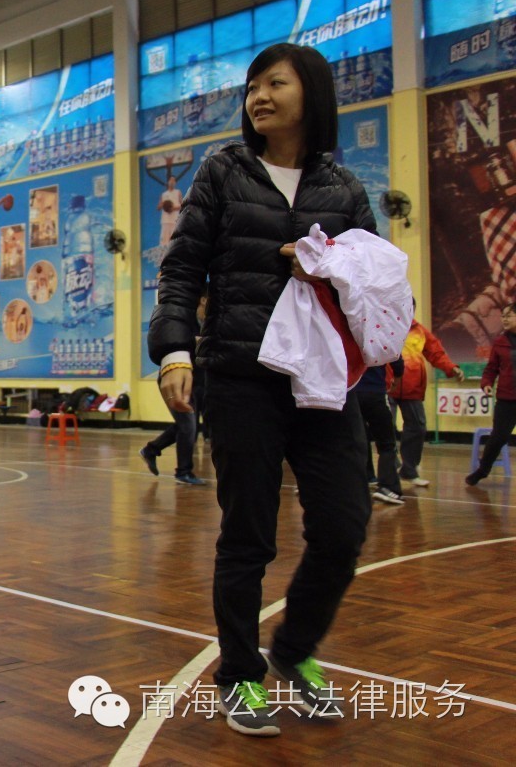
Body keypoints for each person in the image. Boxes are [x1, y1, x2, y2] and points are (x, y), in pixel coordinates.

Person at [149, 43, 380, 737]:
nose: (259, 95)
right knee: (247, 534)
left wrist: (329, 273)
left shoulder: (344, 187)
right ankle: (242, 674)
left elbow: (373, 280)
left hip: (325, 381)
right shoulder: (224, 170)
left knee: (344, 526)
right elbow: (182, 267)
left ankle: (296, 648)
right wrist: (174, 350)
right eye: (252, 86)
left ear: (311, 92)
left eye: (274, 82)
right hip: (243, 374)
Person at [387, 300, 464, 487]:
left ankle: (409, 469)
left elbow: (436, 353)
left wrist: (451, 368)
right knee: (385, 429)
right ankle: (387, 472)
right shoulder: (385, 327)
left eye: (410, 308)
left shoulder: (419, 330)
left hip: (413, 388)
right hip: (387, 386)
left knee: (418, 427)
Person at [466, 302, 516, 486]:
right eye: (503, 316)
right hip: (507, 399)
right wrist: (486, 384)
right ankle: (483, 469)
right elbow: (491, 369)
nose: (504, 319)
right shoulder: (500, 342)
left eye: (508, 315)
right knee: (498, 437)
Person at [354, 359, 405, 505]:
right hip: (375, 392)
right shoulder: (380, 335)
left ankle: (359, 483)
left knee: (356, 440)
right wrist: (398, 376)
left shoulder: (346, 335)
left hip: (350, 393)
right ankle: (388, 487)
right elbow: (395, 356)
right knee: (387, 443)